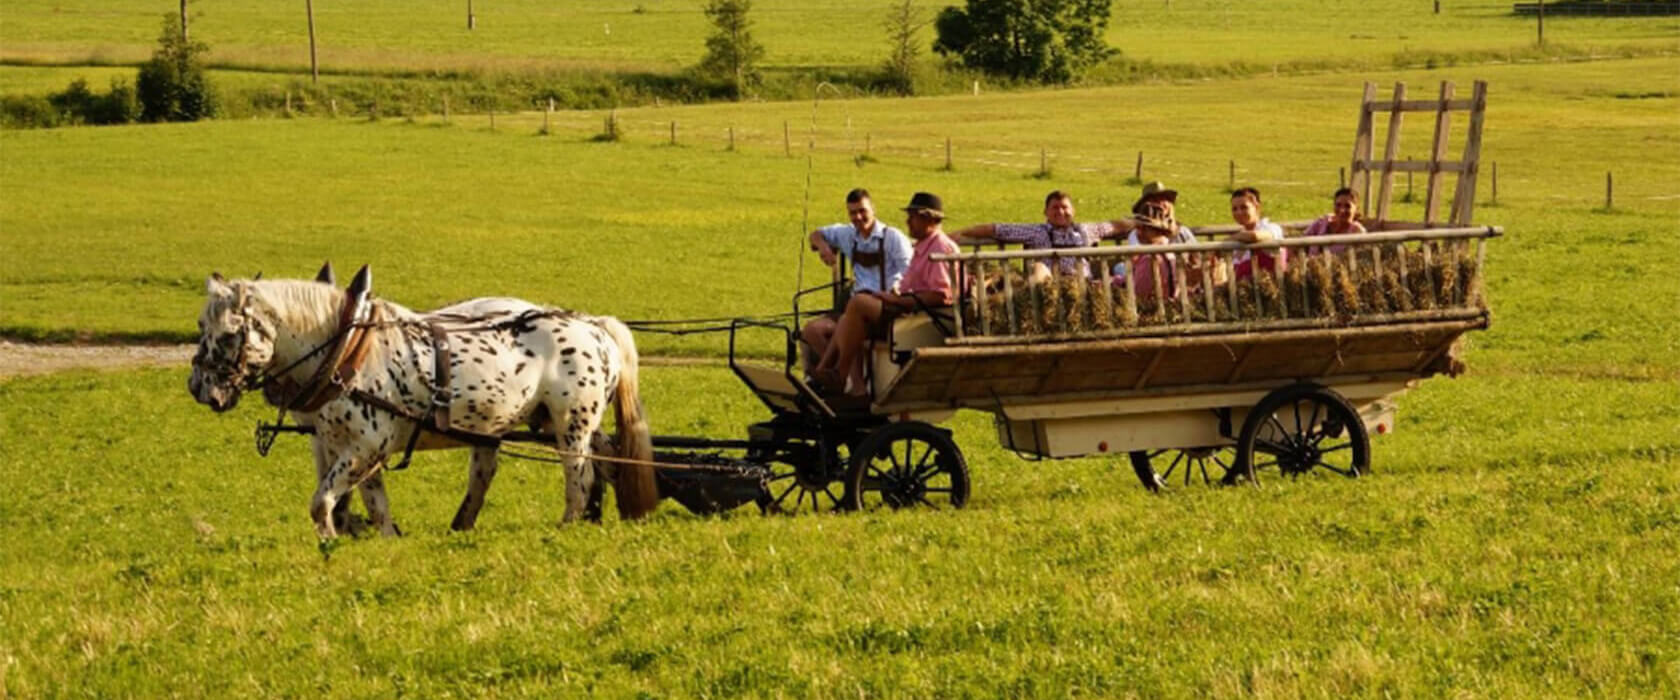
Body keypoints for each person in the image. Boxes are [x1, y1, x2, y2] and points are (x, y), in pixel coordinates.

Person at [813, 192, 958, 398]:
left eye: (912, 216)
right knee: (846, 317)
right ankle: (837, 378)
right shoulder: (924, 246)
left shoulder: (941, 248)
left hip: (919, 316)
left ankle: (839, 373)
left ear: (928, 219)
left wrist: (899, 299)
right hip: (904, 306)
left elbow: (942, 296)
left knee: (858, 302)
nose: (908, 221)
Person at [801, 189, 912, 374]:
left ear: (873, 209)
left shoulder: (893, 237)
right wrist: (823, 248)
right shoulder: (848, 234)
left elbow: (909, 273)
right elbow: (816, 234)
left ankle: (834, 374)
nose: (858, 217)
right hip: (855, 306)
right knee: (811, 330)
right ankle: (842, 375)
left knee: (853, 310)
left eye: (863, 211)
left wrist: (896, 290)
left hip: (884, 307)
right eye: (853, 212)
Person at [950, 190, 1128, 284]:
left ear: (1073, 211)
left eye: (1065, 207)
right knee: (1039, 267)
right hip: (1050, 287)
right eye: (1055, 207)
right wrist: (962, 233)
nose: (1060, 211)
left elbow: (1116, 226)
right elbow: (997, 229)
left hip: (1084, 286)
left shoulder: (1087, 230)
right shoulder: (1037, 231)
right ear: (1046, 212)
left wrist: (1145, 223)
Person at [1116, 201, 1194, 300]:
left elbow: (1139, 295)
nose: (1138, 232)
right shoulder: (1171, 254)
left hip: (1151, 309)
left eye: (1141, 227)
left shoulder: (1149, 260)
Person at [1228, 187, 1286, 280]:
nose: (1239, 212)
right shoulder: (1239, 236)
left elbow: (1256, 236)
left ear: (1257, 207)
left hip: (1268, 288)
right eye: (1234, 209)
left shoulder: (1272, 228)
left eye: (1244, 207)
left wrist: (1230, 239)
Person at [1302, 187, 1366, 255]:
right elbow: (1301, 241)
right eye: (1338, 205)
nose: (1342, 210)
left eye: (1347, 206)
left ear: (1356, 209)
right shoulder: (1322, 222)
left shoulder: (1357, 232)